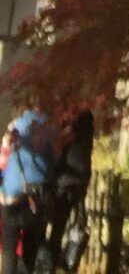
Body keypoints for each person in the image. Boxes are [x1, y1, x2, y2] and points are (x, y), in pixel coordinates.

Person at [0, 108, 52, 269]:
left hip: (11, 197)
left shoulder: (15, 131)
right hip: (34, 198)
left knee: (9, 245)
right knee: (31, 243)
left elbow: (3, 163)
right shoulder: (48, 130)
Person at [42, 111, 91, 272]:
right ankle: (55, 260)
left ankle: (50, 260)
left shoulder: (70, 144)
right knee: (61, 226)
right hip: (74, 186)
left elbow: (60, 162)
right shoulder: (84, 143)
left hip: (64, 186)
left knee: (55, 226)